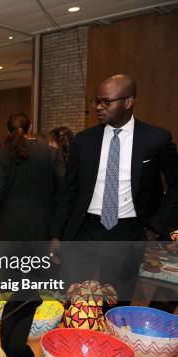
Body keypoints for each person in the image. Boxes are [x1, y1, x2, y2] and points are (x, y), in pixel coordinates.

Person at [52, 74, 178, 301]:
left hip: (127, 233)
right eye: (96, 101)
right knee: (73, 299)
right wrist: (56, 235)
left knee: (116, 301)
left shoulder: (156, 139)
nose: (99, 107)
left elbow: (176, 186)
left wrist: (158, 224)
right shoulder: (84, 140)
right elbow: (68, 191)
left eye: (106, 102)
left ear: (128, 102)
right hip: (84, 230)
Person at [0, 113, 64, 241]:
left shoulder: (4, 154)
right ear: (30, 128)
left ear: (8, 132)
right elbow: (63, 190)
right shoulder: (51, 153)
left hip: (11, 226)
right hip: (43, 226)